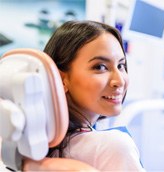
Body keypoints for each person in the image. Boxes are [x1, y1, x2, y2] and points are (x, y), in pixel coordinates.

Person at [43, 20, 145, 171]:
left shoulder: (36, 147)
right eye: (100, 67)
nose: (119, 81)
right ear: (60, 79)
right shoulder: (112, 147)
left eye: (120, 66)